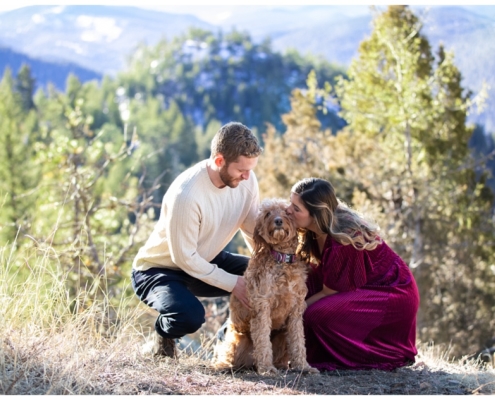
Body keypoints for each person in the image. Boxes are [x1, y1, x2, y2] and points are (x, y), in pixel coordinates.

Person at [131, 122, 262, 358]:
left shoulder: (246, 180)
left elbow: (253, 230)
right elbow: (184, 257)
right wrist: (234, 283)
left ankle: (227, 345)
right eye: (241, 170)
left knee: (264, 280)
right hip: (160, 269)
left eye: (251, 169)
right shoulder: (187, 194)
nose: (247, 176)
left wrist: (266, 266)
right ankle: (162, 338)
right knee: (189, 316)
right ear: (219, 160)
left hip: (205, 257)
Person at [286, 177, 419, 371]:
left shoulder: (342, 241)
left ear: (316, 215)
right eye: (290, 202)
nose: (289, 210)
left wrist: (293, 312)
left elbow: (328, 292)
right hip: (360, 283)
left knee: (313, 315)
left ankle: (377, 355)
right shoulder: (315, 227)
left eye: (296, 208)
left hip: (391, 292)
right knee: (299, 291)